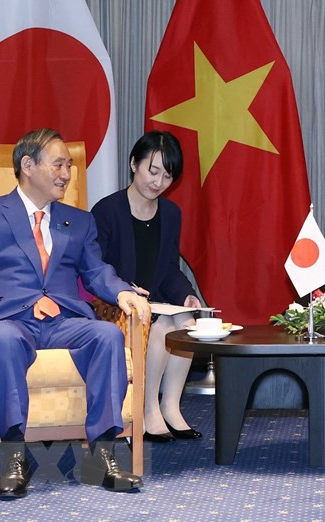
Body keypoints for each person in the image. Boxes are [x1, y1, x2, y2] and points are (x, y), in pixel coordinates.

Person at [0, 128, 151, 499]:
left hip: (62, 322)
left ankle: (102, 455)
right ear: (27, 165)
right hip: (6, 319)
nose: (66, 173)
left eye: (69, 165)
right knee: (5, 338)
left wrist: (122, 291)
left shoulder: (78, 221)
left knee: (108, 335)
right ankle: (15, 456)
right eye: (58, 164)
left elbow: (95, 271)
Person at [92, 131, 202, 443]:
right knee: (163, 323)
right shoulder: (107, 211)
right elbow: (96, 269)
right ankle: (146, 407)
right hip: (117, 304)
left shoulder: (171, 214)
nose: (158, 182)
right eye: (152, 171)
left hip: (157, 303)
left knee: (187, 321)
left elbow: (169, 269)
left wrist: (186, 294)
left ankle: (171, 405)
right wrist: (126, 289)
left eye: (167, 176)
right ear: (133, 164)